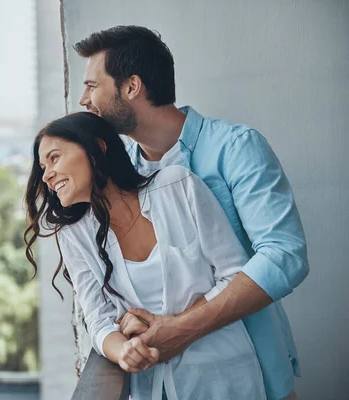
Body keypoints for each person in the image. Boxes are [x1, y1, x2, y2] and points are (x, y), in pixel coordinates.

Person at [73, 25, 308, 400]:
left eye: (91, 85)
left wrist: (181, 328)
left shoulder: (236, 148)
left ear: (131, 86)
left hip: (257, 378)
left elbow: (284, 256)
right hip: (159, 384)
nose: (83, 99)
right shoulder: (118, 179)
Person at [25, 112, 267, 399]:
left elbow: (236, 275)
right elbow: (98, 319)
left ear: (97, 149)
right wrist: (125, 351)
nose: (47, 175)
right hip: (151, 388)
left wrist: (173, 329)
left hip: (225, 377)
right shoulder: (74, 234)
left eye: (54, 158)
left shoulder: (177, 186)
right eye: (42, 167)